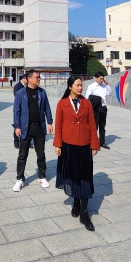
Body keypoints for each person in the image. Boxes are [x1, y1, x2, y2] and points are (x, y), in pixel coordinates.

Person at [54, 76, 99, 231]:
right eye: (77, 85)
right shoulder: (62, 103)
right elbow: (58, 126)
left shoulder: (86, 103)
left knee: (85, 177)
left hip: (84, 146)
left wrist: (94, 145)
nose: (80, 88)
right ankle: (76, 202)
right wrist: (58, 144)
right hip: (68, 146)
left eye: (81, 85)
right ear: (70, 87)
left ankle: (85, 213)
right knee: (73, 175)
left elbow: (92, 125)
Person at [13, 70, 53, 191]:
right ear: (29, 79)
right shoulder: (20, 93)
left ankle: (42, 177)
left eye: (39, 77)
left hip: (39, 127)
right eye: (37, 77)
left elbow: (47, 108)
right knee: (22, 155)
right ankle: (20, 179)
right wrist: (17, 126)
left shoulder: (42, 92)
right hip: (25, 128)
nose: (39, 79)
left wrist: (49, 122)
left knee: (41, 154)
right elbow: (16, 111)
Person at [85, 72, 112, 149]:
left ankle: (102, 142)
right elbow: (87, 97)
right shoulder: (91, 86)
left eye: (103, 79)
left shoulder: (104, 86)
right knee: (94, 127)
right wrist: (98, 99)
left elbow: (109, 93)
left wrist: (107, 85)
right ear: (95, 78)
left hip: (103, 108)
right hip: (96, 109)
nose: (102, 80)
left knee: (102, 126)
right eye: (100, 79)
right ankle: (93, 143)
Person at [12, 74, 28, 149]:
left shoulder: (27, 86)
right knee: (17, 125)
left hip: (27, 109)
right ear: (24, 78)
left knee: (26, 125)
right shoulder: (17, 86)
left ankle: (26, 141)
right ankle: (16, 142)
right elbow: (17, 97)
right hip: (19, 109)